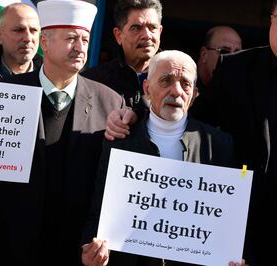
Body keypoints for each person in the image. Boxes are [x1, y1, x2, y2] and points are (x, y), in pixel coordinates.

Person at [0, 1, 124, 265]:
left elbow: (111, 186)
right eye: (71, 38)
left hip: (75, 253)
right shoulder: (6, 95)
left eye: (85, 39)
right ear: (44, 44)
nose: (81, 47)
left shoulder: (110, 103)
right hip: (10, 248)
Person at [81, 50, 244, 266]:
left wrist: (232, 256)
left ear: (194, 95)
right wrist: (90, 251)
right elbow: (98, 212)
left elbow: (227, 222)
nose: (176, 91)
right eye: (166, 80)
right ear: (147, 89)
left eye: (185, 84)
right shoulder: (119, 140)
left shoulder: (218, 145)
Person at [187, 1, 277, 264]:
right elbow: (191, 127)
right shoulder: (234, 68)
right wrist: (137, 118)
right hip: (237, 228)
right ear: (271, 20)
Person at [83, 0, 163, 120]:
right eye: (136, 28)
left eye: (153, 28)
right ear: (118, 35)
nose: (147, 35)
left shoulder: (178, 83)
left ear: (160, 32)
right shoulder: (91, 82)